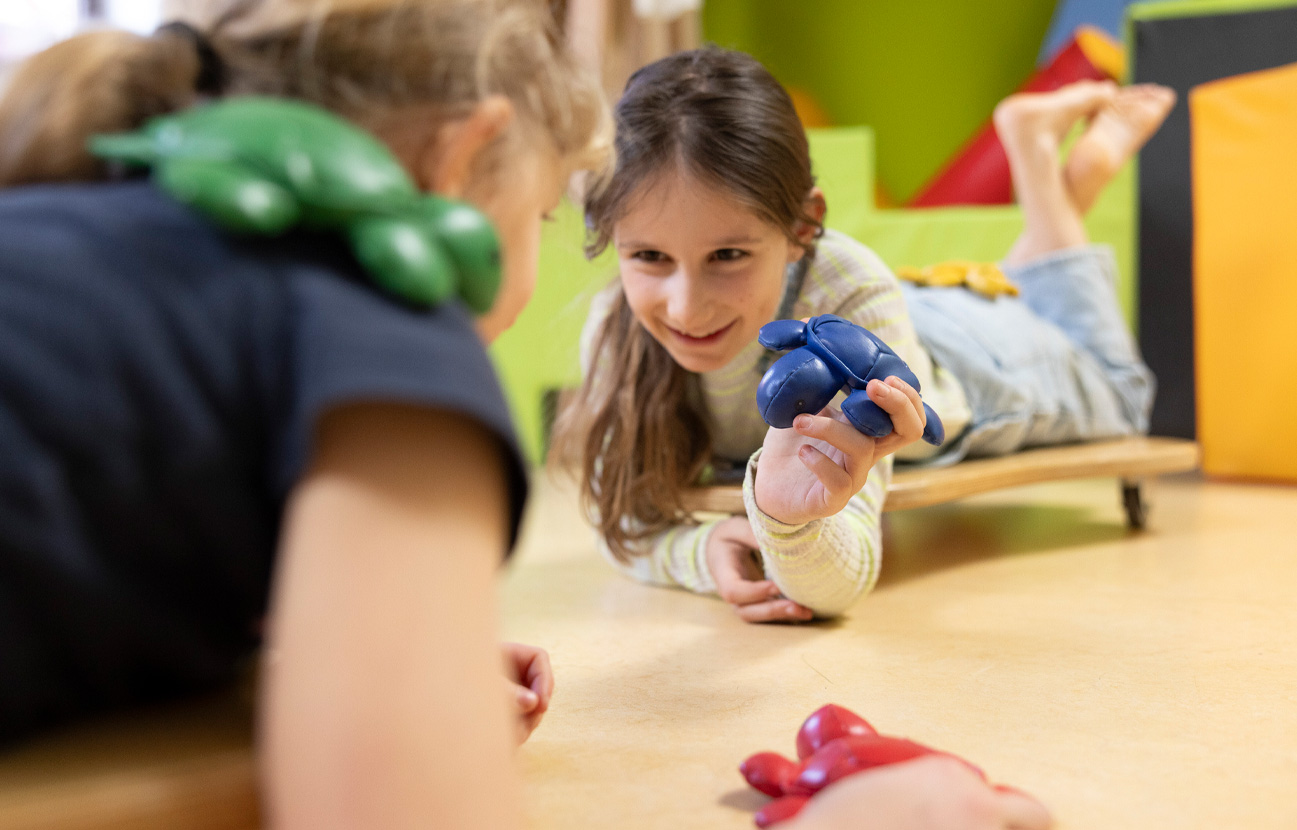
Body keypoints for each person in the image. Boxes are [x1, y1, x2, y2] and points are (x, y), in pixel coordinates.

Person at [0, 5, 1053, 829]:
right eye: (550, 210)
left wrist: (375, 644)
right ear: (465, 160)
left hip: (976, 367)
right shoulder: (384, 338)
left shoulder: (75, 229)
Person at [561, 47, 1172, 623]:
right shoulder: (615, 327)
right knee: (1018, 298)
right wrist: (700, 553)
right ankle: (1046, 158)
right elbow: (620, 524)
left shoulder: (854, 285)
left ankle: (1040, 159)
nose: (686, 307)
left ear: (805, 226)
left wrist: (784, 524)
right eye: (648, 256)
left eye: (727, 255)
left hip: (979, 362)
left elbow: (839, 582)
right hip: (892, 313)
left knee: (1122, 399)